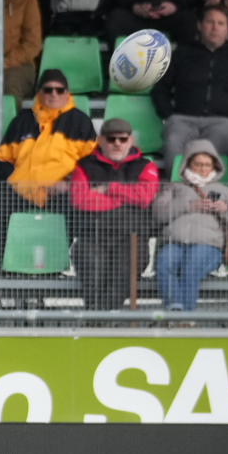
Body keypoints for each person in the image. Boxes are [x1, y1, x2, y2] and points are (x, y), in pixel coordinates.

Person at [0, 69, 96, 257]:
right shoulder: (22, 120)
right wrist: (17, 181)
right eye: (48, 89)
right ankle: (1, 265)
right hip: (21, 193)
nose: (54, 94)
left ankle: (65, 263)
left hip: (62, 195)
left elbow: (93, 164)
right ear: (38, 93)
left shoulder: (80, 121)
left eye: (59, 90)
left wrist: (69, 184)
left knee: (80, 209)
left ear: (67, 93)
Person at [152, 5, 228, 172]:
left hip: (224, 122)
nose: (215, 28)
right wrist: (169, 115)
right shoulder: (182, 53)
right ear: (200, 25)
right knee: (173, 141)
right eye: (210, 22)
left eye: (221, 23)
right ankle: (177, 185)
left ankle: (203, 187)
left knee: (209, 150)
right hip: (183, 119)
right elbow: (160, 89)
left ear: (227, 29)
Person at [69, 118, 161, 311]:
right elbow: (79, 199)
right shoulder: (83, 165)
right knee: (91, 267)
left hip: (132, 237)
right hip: (92, 235)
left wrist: (108, 189)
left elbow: (144, 197)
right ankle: (100, 317)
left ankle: (99, 317)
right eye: (111, 139)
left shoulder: (145, 166)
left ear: (130, 141)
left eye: (122, 139)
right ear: (101, 141)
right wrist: (124, 199)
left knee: (123, 272)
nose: (117, 143)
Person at [153, 141, 228, 312]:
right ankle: (176, 312)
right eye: (198, 164)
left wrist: (226, 210)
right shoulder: (173, 188)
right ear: (187, 164)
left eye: (207, 165)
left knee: (190, 268)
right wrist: (189, 206)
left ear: (214, 166)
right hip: (174, 241)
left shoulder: (224, 191)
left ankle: (182, 318)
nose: (203, 169)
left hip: (208, 244)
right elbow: (157, 215)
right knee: (163, 264)